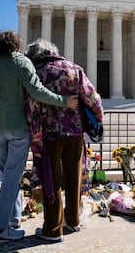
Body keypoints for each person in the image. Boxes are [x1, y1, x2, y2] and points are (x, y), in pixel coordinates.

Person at [0, 30, 78, 245]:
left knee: (9, 177)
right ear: (16, 45)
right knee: (11, 177)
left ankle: (13, 221)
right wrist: (64, 101)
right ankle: (0, 229)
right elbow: (36, 91)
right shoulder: (21, 62)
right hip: (17, 128)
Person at [25, 38, 103, 243]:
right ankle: (73, 220)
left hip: (49, 133)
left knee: (51, 179)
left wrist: (34, 135)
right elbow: (92, 98)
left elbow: (31, 105)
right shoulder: (74, 69)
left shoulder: (37, 73)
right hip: (75, 132)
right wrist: (98, 119)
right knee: (74, 176)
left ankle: (53, 229)